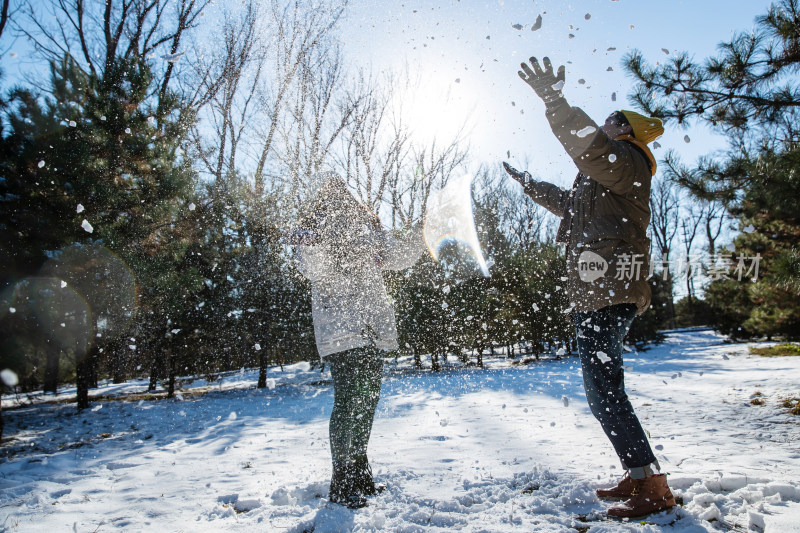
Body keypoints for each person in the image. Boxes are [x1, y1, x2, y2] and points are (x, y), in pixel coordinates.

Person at [502, 56, 676, 518]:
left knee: (605, 389)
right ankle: (639, 474)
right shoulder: (605, 180)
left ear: (628, 132)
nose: (603, 124)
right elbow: (569, 204)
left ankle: (652, 486)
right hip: (596, 291)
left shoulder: (631, 162)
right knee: (601, 390)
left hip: (609, 289)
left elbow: (591, 148)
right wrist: (529, 184)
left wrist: (554, 100)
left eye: (612, 121)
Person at [291, 173, 426, 509]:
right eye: (332, 193)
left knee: (366, 402)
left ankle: (359, 471)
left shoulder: (367, 228)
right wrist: (313, 243)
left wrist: (423, 232)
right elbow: (313, 268)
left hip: (369, 328)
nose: (340, 198)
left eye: (343, 192)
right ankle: (342, 480)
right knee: (350, 401)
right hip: (339, 330)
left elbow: (397, 257)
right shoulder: (316, 229)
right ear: (323, 199)